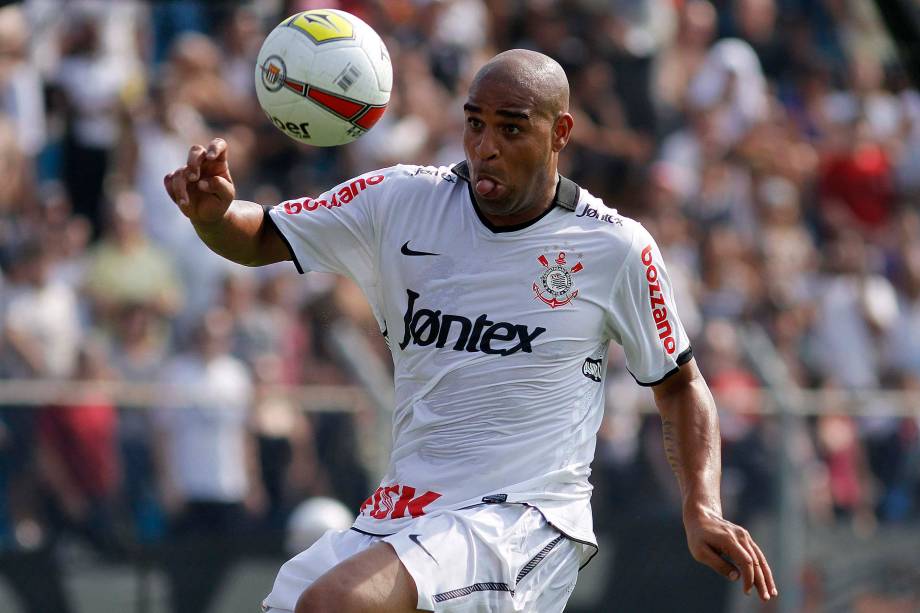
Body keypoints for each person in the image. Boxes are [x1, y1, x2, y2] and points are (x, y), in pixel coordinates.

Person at [164, 49, 778, 612]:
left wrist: (702, 505)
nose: (485, 145)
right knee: (291, 603)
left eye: (511, 128)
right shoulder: (401, 200)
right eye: (474, 123)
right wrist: (212, 214)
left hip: (524, 519)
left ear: (559, 133)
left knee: (337, 605)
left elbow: (680, 384)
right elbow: (259, 236)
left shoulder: (613, 246)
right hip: (404, 511)